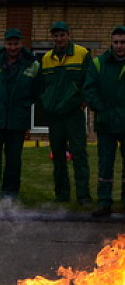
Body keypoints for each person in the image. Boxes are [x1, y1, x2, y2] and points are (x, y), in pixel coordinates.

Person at [0, 28, 40, 201]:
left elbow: (36, 91)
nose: (12, 47)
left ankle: (10, 194)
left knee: (14, 159)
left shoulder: (33, 64)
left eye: (16, 44)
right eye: (9, 44)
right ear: (4, 44)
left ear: (21, 44)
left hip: (17, 119)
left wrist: (22, 105)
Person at [39, 21, 92, 205]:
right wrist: (46, 103)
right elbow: (42, 85)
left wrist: (83, 101)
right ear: (52, 37)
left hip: (73, 114)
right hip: (55, 116)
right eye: (56, 36)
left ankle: (83, 196)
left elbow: (89, 80)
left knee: (79, 154)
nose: (59, 39)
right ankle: (61, 195)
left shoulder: (82, 53)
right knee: (58, 155)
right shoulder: (46, 58)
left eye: (62, 35)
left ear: (68, 35)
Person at [84, 26, 125, 217]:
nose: (119, 46)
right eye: (116, 42)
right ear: (111, 42)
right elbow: (89, 89)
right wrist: (101, 108)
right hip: (106, 123)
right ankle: (103, 202)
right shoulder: (99, 63)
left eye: (122, 42)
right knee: (105, 164)